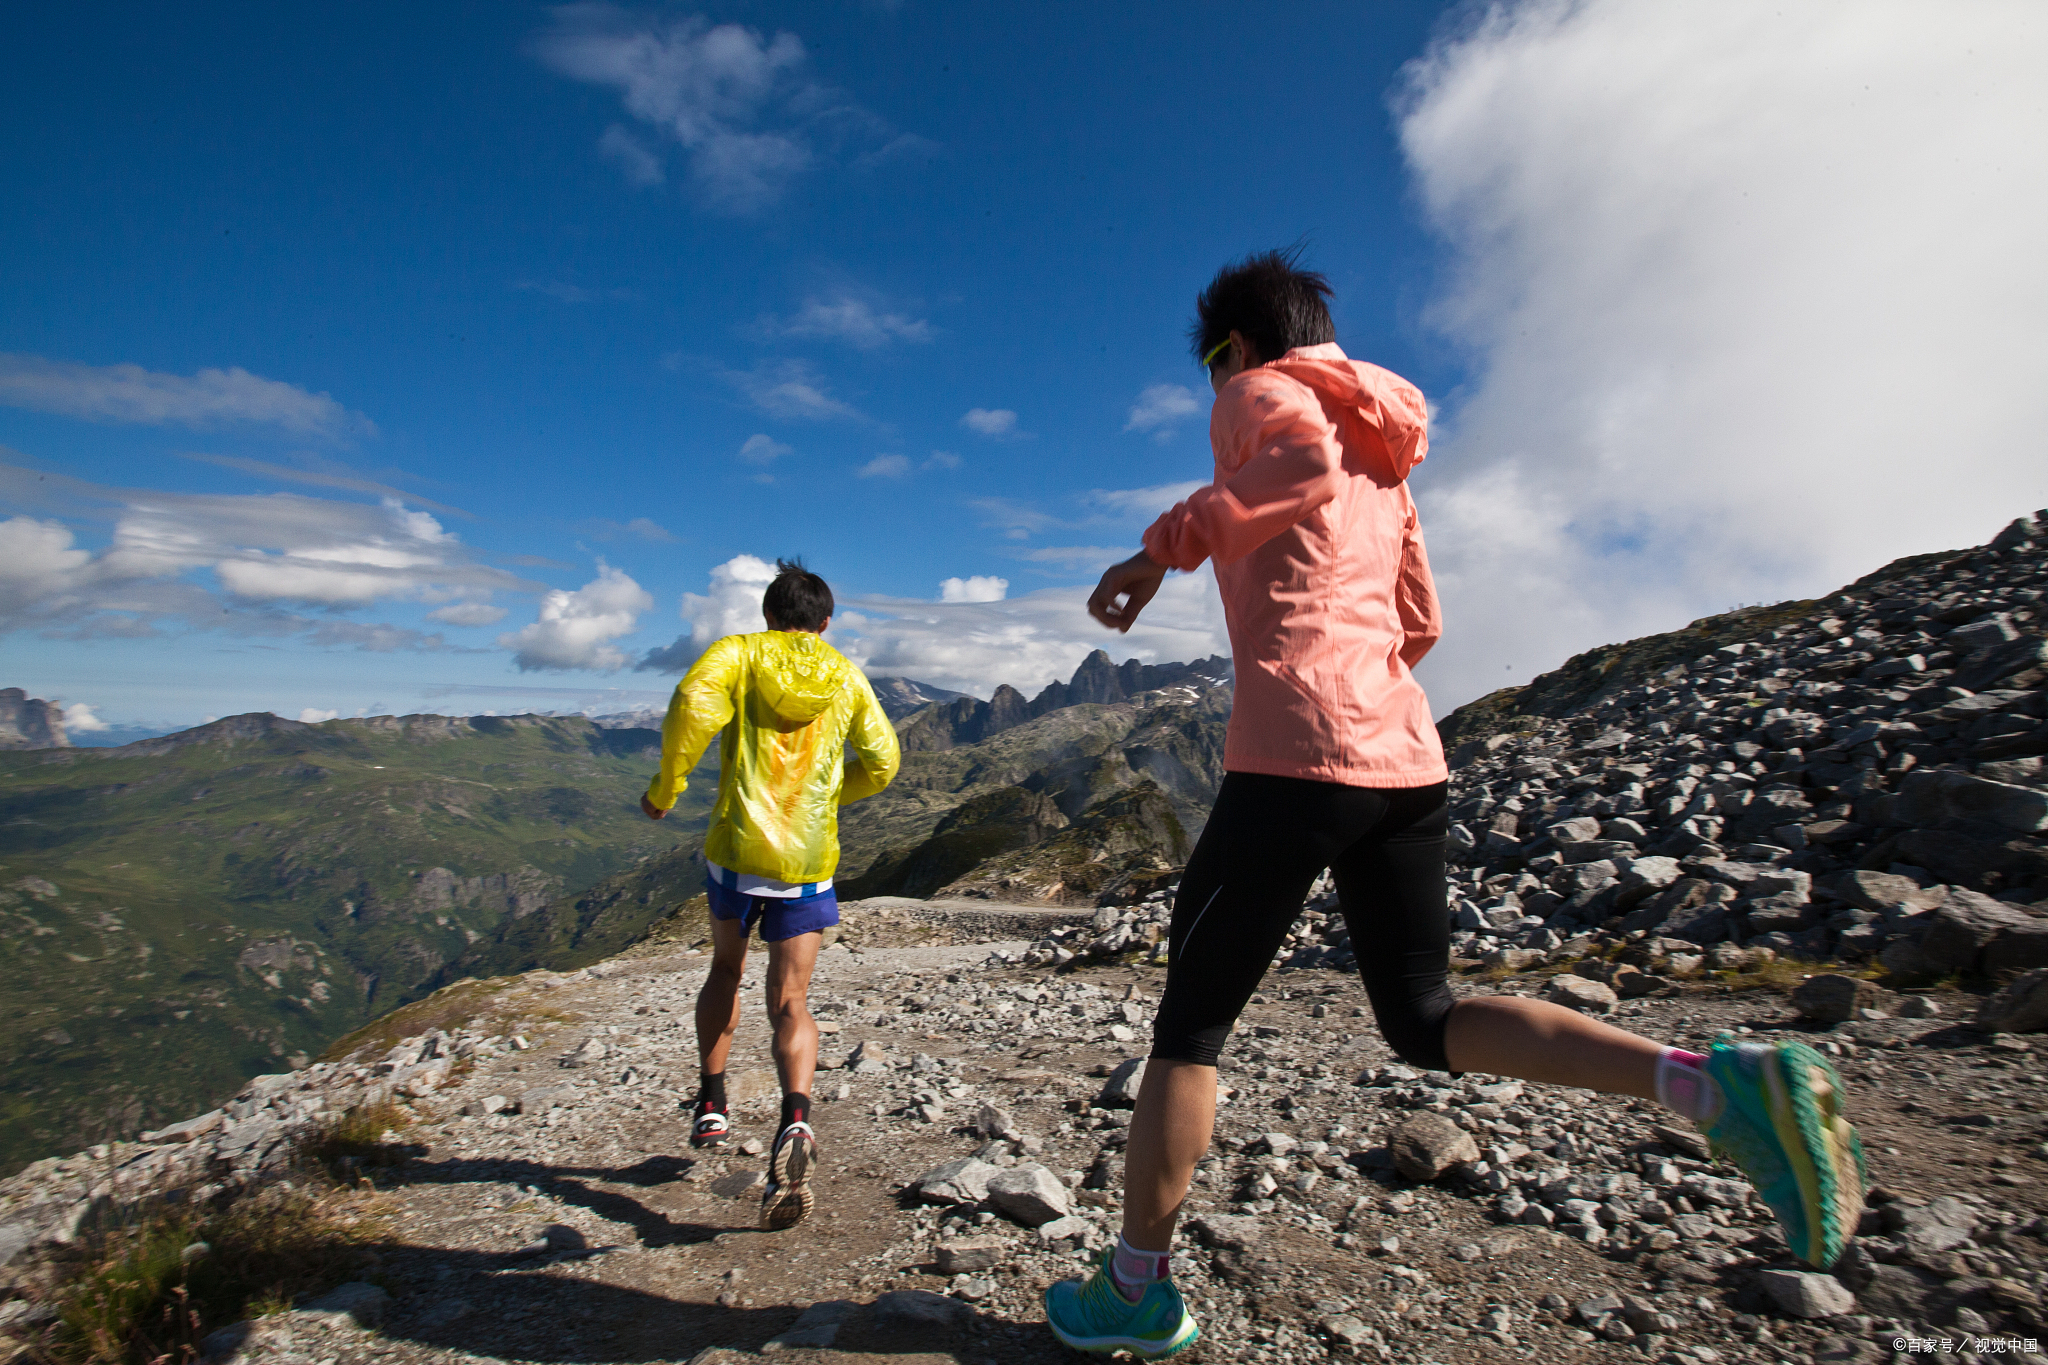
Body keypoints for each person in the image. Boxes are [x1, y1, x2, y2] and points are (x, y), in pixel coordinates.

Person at [1042, 251, 1865, 1359]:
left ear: (1236, 344)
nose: (1213, 389)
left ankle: (1136, 1290)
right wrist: (1360, 667)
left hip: (1294, 758)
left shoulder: (1260, 391)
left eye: (1208, 365)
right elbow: (1417, 613)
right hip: (1403, 761)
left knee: (1188, 1032)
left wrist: (1159, 551)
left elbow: (1292, 465)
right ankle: (1716, 1087)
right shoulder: (1387, 443)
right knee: (1423, 1017)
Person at [640, 557, 900, 1231]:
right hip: (807, 861)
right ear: (825, 622)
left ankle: (713, 1098)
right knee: (791, 999)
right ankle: (796, 1117)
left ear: (766, 615)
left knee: (726, 968)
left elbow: (692, 708)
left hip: (736, 852)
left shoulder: (739, 654)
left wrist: (666, 788)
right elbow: (883, 760)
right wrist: (827, 799)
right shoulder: (845, 674)